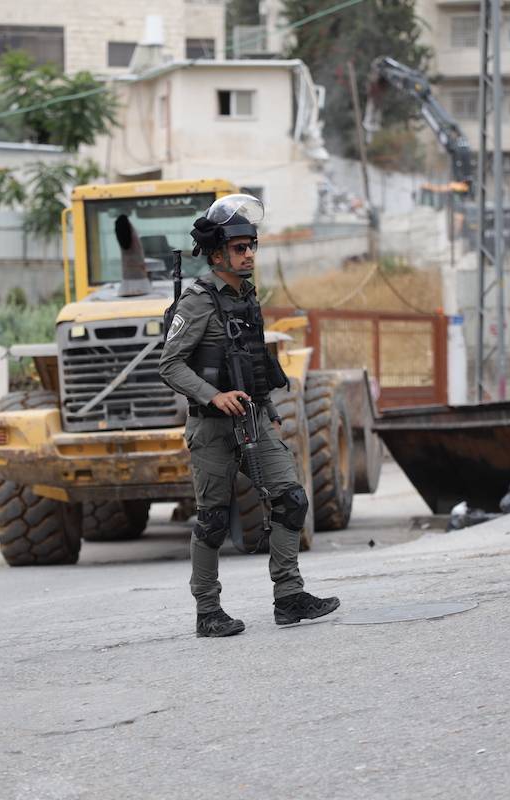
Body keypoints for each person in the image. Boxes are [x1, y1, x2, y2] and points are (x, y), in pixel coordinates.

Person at [159, 194, 340, 636]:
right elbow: (170, 364)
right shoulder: (198, 301)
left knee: (291, 499)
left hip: (255, 419)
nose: (249, 255)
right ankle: (208, 612)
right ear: (217, 253)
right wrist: (213, 396)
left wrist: (269, 407)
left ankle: (289, 596)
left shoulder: (247, 298)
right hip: (212, 426)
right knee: (213, 519)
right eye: (240, 248)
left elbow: (251, 360)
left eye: (252, 246)